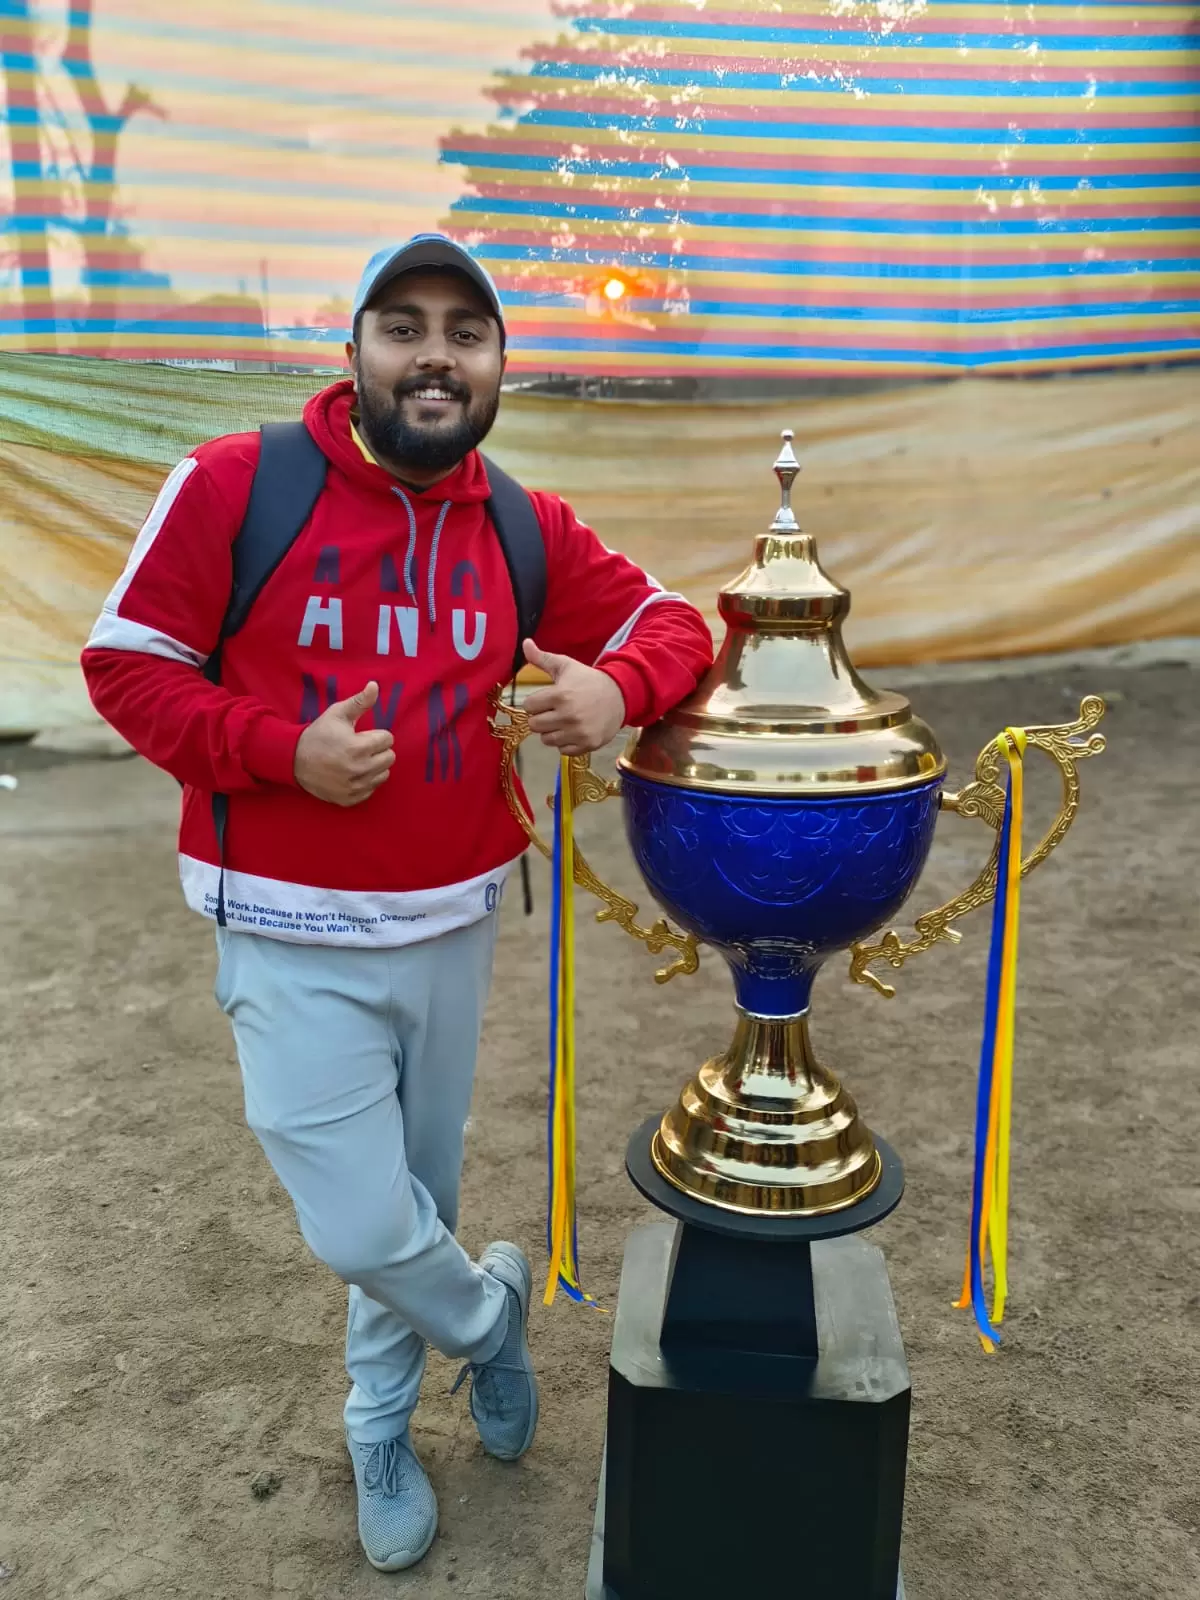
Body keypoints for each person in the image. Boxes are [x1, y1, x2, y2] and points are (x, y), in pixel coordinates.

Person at [81, 233, 713, 1572]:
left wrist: (617, 688)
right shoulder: (240, 484)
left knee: (415, 1193)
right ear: (355, 350)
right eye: (405, 326)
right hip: (286, 926)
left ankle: (378, 1424)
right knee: (362, 1222)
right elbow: (127, 662)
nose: (436, 356)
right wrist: (279, 750)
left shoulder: (523, 524)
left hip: (453, 923)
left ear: (498, 366)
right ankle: (488, 1320)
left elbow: (674, 621)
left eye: (466, 334)